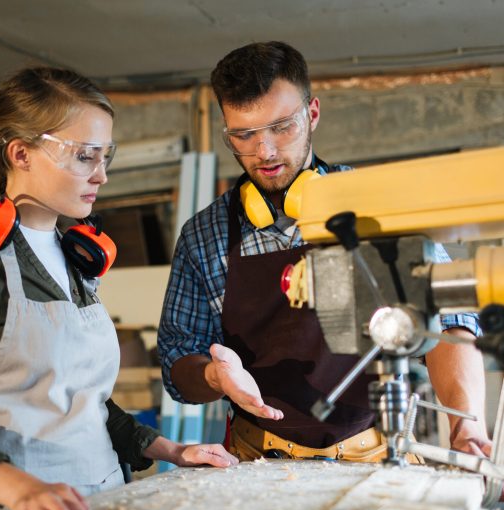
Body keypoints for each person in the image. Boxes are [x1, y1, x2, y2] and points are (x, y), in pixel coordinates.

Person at [0, 66, 238, 510]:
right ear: (20, 152)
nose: (101, 174)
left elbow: (83, 404)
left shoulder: (77, 257)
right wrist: (22, 489)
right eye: (84, 156)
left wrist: (173, 451)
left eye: (105, 156)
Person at [158, 41, 490, 464]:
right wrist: (212, 374)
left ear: (312, 113)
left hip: (376, 456)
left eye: (282, 127)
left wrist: (467, 425)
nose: (266, 152)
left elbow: (447, 322)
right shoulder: (204, 235)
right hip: (256, 460)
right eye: (244, 135)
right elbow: (176, 359)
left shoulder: (383, 209)